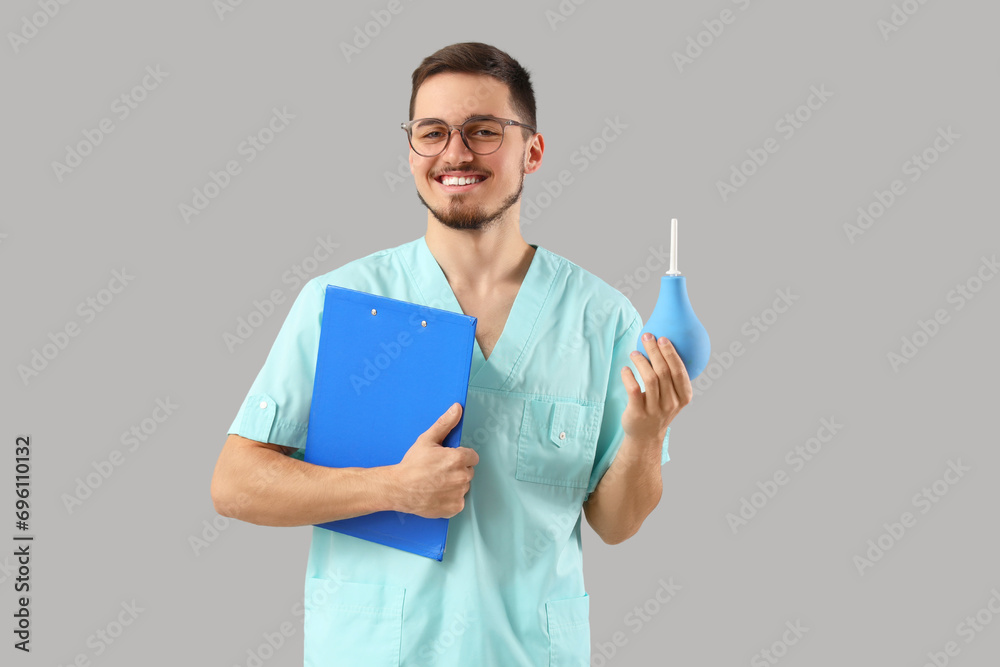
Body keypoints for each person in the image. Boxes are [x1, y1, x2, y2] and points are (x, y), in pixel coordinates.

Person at [211, 42, 692, 666]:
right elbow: (235, 484)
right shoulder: (343, 303)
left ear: (533, 150)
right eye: (431, 132)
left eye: (483, 131)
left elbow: (616, 523)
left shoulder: (601, 319)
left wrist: (648, 434)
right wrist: (389, 488)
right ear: (411, 150)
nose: (455, 153)